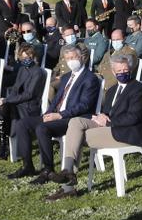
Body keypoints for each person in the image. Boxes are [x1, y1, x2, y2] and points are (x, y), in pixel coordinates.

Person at [45, 55, 142, 200]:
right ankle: (68, 172)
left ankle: (67, 184)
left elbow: (134, 117)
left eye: (125, 69)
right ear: (113, 72)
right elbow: (107, 113)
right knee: (75, 122)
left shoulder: (137, 89)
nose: (123, 73)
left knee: (77, 136)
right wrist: (100, 116)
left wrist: (108, 121)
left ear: (130, 69)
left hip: (126, 132)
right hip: (109, 127)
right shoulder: (112, 89)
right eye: (119, 70)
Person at [13, 46, 101, 181]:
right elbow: (56, 99)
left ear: (81, 58)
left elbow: (85, 105)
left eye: (73, 58)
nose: (71, 61)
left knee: (42, 128)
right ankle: (27, 166)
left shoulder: (90, 78)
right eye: (68, 59)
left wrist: (60, 115)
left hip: (73, 119)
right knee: (22, 124)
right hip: (57, 115)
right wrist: (47, 114)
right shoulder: (66, 77)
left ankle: (48, 170)